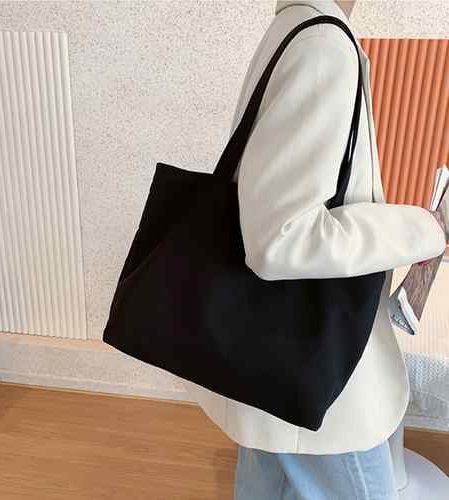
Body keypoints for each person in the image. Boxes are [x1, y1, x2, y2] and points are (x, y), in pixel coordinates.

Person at [181, 1, 448, 499]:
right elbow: (282, 238)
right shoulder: (323, 44)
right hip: (315, 369)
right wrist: (422, 229)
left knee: (268, 482)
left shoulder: (297, 24)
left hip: (273, 360)